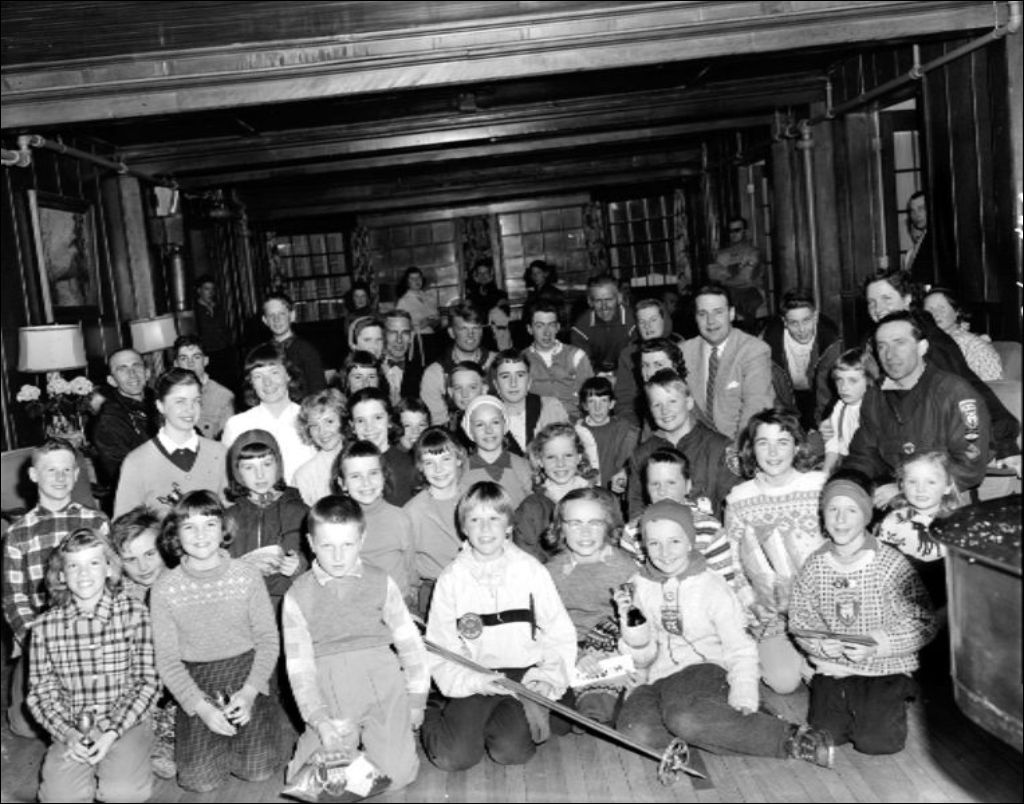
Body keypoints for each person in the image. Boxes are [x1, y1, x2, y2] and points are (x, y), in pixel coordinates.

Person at [614, 500, 835, 768]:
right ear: (644, 546)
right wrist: (633, 627)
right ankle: (717, 726)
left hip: (702, 670)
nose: (664, 552)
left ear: (690, 542)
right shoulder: (637, 585)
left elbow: (740, 648)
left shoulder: (711, 585)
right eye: (654, 543)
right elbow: (642, 657)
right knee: (634, 732)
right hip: (656, 678)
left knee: (685, 718)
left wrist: (744, 691)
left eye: (674, 541)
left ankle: (790, 738)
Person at [422, 481, 577, 771]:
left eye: (494, 518)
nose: (485, 528)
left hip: (523, 676)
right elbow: (441, 647)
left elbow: (559, 634)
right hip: (475, 675)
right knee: (452, 757)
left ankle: (495, 722)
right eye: (475, 520)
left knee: (512, 752)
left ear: (508, 525)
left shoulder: (531, 571)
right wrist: (474, 681)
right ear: (463, 528)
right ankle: (433, 707)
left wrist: (546, 677)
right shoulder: (452, 579)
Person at [283, 495, 429, 794]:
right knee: (309, 785)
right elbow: (299, 669)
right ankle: (348, 749)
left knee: (397, 777)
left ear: (361, 540)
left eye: (347, 545)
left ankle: (375, 749)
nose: (338, 556)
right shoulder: (298, 594)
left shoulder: (381, 581)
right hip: (332, 695)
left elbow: (410, 644)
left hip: (383, 687)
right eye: (327, 546)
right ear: (311, 543)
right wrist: (320, 721)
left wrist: (416, 699)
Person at [790, 478, 938, 755]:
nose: (841, 519)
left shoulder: (890, 562)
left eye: (851, 510)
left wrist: (878, 644)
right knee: (827, 736)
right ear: (823, 515)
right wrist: (819, 644)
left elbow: (923, 622)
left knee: (876, 742)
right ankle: (839, 698)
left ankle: (894, 698)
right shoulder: (814, 565)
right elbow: (800, 619)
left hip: (884, 669)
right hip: (833, 668)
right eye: (833, 509)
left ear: (866, 516)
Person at [151, 490, 280, 793]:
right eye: (189, 526)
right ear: (175, 534)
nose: (201, 535)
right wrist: (202, 709)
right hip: (197, 683)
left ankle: (250, 728)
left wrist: (249, 694)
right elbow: (167, 660)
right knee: (200, 781)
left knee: (258, 771)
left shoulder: (247, 575)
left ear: (223, 529)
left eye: (209, 524)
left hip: (246, 676)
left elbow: (268, 640)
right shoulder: (164, 588)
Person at [27, 528, 160, 803]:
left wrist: (111, 733)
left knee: (123, 793)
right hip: (73, 726)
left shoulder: (135, 613)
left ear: (109, 568)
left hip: (126, 722)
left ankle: (132, 760)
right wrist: (68, 734)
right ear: (61, 575)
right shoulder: (44, 627)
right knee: (58, 798)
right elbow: (41, 694)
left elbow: (147, 682)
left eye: (94, 563)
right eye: (73, 566)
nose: (83, 574)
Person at [2, 439, 110, 740]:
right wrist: (37, 642)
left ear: (76, 475)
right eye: (51, 470)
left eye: (66, 470)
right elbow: (13, 597)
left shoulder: (96, 521)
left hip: (92, 634)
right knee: (25, 727)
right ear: (34, 475)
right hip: (42, 638)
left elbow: (113, 582)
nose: (60, 477)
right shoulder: (18, 533)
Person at [857, 269, 1018, 463]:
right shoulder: (873, 338)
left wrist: (1005, 445)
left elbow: (966, 389)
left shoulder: (929, 339)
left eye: (886, 299)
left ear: (907, 299)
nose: (878, 308)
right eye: (871, 302)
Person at [725, 408, 828, 694]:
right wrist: (751, 604)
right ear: (751, 449)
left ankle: (814, 662)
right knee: (783, 682)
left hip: (822, 608)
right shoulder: (739, 499)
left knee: (828, 674)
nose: (773, 452)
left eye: (782, 442)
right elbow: (732, 563)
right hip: (773, 614)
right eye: (763, 443)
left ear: (797, 446)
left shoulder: (819, 487)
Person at [843, 311, 992, 504]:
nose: (890, 354)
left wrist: (904, 488)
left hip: (946, 499)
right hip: (891, 497)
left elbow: (970, 465)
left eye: (899, 343)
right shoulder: (876, 395)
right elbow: (864, 454)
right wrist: (849, 486)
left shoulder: (956, 394)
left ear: (922, 347)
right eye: (882, 346)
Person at [542, 487, 637, 725]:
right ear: (560, 528)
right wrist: (576, 655)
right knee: (559, 721)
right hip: (568, 649)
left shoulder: (625, 568)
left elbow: (637, 623)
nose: (585, 532)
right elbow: (544, 628)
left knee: (608, 709)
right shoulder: (550, 572)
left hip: (613, 647)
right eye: (575, 523)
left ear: (608, 526)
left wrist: (617, 654)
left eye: (594, 523)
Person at [620, 447, 747, 597]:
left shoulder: (710, 529)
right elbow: (630, 587)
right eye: (655, 484)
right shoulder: (633, 532)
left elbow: (725, 587)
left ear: (688, 486)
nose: (662, 491)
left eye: (671, 483)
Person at [110, 506, 177, 780]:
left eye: (150, 554)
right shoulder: (118, 595)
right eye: (130, 559)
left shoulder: (182, 580)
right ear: (117, 562)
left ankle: (167, 741)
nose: (143, 567)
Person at [114, 367, 229, 517]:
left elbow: (231, 511)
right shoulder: (136, 462)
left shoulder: (219, 453)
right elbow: (125, 524)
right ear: (160, 406)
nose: (190, 409)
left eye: (196, 401)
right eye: (180, 401)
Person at [627, 369, 739, 520]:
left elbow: (735, 506)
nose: (665, 410)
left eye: (672, 401)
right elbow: (636, 509)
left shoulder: (719, 447)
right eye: (657, 405)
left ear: (689, 403)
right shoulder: (642, 454)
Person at [224, 429, 308, 612]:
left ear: (278, 464)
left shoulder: (301, 512)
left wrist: (299, 566)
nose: (260, 475)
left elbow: (318, 560)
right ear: (237, 472)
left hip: (290, 606)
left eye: (267, 464)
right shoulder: (229, 517)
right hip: (242, 608)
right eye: (249, 468)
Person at [682, 283, 775, 440]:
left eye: (718, 312)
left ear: (731, 314)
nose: (710, 321)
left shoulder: (754, 350)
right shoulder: (684, 352)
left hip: (738, 441)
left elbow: (756, 407)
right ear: (695, 317)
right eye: (703, 314)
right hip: (697, 445)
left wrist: (738, 448)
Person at [332, 439, 416, 604]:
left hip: (398, 604)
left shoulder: (400, 518)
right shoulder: (336, 524)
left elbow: (410, 567)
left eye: (373, 473)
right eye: (356, 476)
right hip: (356, 606)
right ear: (342, 483)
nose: (366, 482)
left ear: (384, 476)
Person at [875, 451, 961, 611]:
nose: (920, 489)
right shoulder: (892, 521)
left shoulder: (956, 526)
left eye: (931, 482)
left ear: (947, 486)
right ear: (901, 485)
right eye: (912, 481)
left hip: (945, 603)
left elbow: (962, 583)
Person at [221, 344, 316, 485]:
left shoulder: (310, 419)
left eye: (274, 373)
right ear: (251, 383)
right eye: (258, 376)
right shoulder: (237, 425)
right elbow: (228, 477)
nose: (267, 382)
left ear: (288, 375)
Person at [403, 427, 467, 616]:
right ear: (420, 467)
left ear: (458, 459)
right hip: (434, 593)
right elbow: (407, 566)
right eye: (429, 463)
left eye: (445, 459)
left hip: (475, 587)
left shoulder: (474, 500)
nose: (438, 469)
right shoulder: (412, 512)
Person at [513, 422, 597, 564]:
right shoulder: (531, 508)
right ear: (540, 461)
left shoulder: (599, 500)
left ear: (579, 457)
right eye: (551, 457)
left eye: (568, 455)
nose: (560, 464)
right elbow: (525, 559)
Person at [760, 289, 842, 430]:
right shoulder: (767, 344)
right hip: (786, 395)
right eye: (794, 323)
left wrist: (822, 425)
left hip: (816, 393)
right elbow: (768, 390)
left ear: (815, 316)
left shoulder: (831, 341)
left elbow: (826, 392)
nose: (802, 329)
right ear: (784, 322)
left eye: (806, 320)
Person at [92, 348, 157, 501]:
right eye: (122, 369)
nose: (132, 373)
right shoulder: (109, 420)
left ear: (147, 373)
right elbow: (124, 474)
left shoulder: (164, 403)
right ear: (112, 380)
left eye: (136, 366)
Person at [420, 301, 495, 426]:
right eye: (463, 329)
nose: (470, 335)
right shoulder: (435, 373)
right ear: (451, 332)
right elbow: (438, 423)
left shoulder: (497, 364)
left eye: (475, 328)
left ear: (482, 331)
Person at [613, 298, 685, 425]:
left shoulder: (681, 348)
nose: (647, 326)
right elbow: (624, 400)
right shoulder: (628, 354)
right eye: (642, 322)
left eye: (653, 320)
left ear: (664, 320)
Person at [489, 349, 570, 456]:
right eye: (505, 376)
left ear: (529, 381)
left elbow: (569, 450)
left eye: (520, 375)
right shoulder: (487, 416)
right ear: (496, 385)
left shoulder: (551, 407)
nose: (513, 383)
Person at [346, 387, 417, 506]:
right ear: (352, 426)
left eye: (377, 418)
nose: (369, 427)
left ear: (389, 420)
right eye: (361, 420)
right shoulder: (347, 465)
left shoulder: (407, 466)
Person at [460, 395, 534, 508]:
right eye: (480, 424)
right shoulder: (461, 471)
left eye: (495, 422)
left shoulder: (523, 466)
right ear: (470, 431)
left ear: (505, 425)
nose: (488, 430)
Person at [523, 300, 595, 415]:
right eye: (539, 326)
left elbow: (590, 398)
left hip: (572, 419)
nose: (547, 332)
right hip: (537, 420)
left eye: (551, 325)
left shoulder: (576, 356)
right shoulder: (521, 360)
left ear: (558, 327)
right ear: (529, 329)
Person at [922, 288, 1003, 381]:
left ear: (957, 311)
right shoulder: (921, 344)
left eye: (941, 308)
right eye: (930, 310)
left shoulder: (973, 346)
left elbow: (995, 384)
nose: (935, 314)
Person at [576, 376, 638, 491]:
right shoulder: (577, 432)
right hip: (587, 492)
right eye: (592, 401)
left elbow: (630, 461)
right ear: (584, 405)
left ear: (612, 404)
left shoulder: (623, 428)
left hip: (614, 492)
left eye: (603, 401)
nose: (598, 408)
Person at [172, 335, 236, 439]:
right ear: (176, 364)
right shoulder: (169, 397)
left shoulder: (223, 397)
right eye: (184, 358)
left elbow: (228, 441)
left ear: (205, 361)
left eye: (196, 357)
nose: (190, 363)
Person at [261, 292, 326, 394]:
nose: (276, 319)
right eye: (271, 315)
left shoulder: (306, 350)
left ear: (292, 316)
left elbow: (319, 390)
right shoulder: (262, 353)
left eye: (281, 314)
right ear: (265, 320)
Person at [570, 275, 636, 375]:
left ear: (619, 298)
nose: (604, 306)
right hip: (595, 375)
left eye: (609, 299)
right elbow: (583, 365)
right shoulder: (580, 329)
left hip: (627, 373)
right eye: (598, 300)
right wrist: (601, 376)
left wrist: (615, 376)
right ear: (590, 301)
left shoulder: (633, 322)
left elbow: (635, 360)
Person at [822, 348, 874, 475]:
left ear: (869, 380)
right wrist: (825, 474)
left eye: (853, 381)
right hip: (844, 461)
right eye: (839, 380)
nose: (844, 387)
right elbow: (833, 444)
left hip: (867, 467)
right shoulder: (840, 406)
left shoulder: (873, 410)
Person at [707, 216, 766, 324]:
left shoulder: (753, 252)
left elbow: (746, 279)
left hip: (749, 296)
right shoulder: (722, 254)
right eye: (730, 231)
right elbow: (713, 276)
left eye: (737, 230)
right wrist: (735, 275)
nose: (733, 234)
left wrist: (726, 277)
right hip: (728, 296)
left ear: (745, 231)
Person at [294, 388, 347, 506]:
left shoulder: (366, 457)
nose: (322, 431)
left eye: (329, 421)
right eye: (314, 425)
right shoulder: (305, 476)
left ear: (343, 421)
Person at [193, 275, 237, 389]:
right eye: (207, 289)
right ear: (199, 291)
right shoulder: (194, 311)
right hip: (208, 353)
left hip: (224, 351)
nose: (210, 292)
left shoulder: (218, 307)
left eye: (212, 289)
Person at [383, 309, 428, 406]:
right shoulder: (372, 368)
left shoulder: (423, 372)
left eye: (405, 333)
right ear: (383, 335)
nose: (399, 340)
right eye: (392, 332)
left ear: (411, 337)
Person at [395, 266, 442, 348]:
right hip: (415, 340)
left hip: (432, 337)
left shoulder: (429, 297)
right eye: (412, 279)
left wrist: (432, 321)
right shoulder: (403, 301)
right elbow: (399, 326)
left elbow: (437, 319)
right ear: (407, 282)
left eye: (418, 277)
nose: (416, 281)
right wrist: (419, 326)